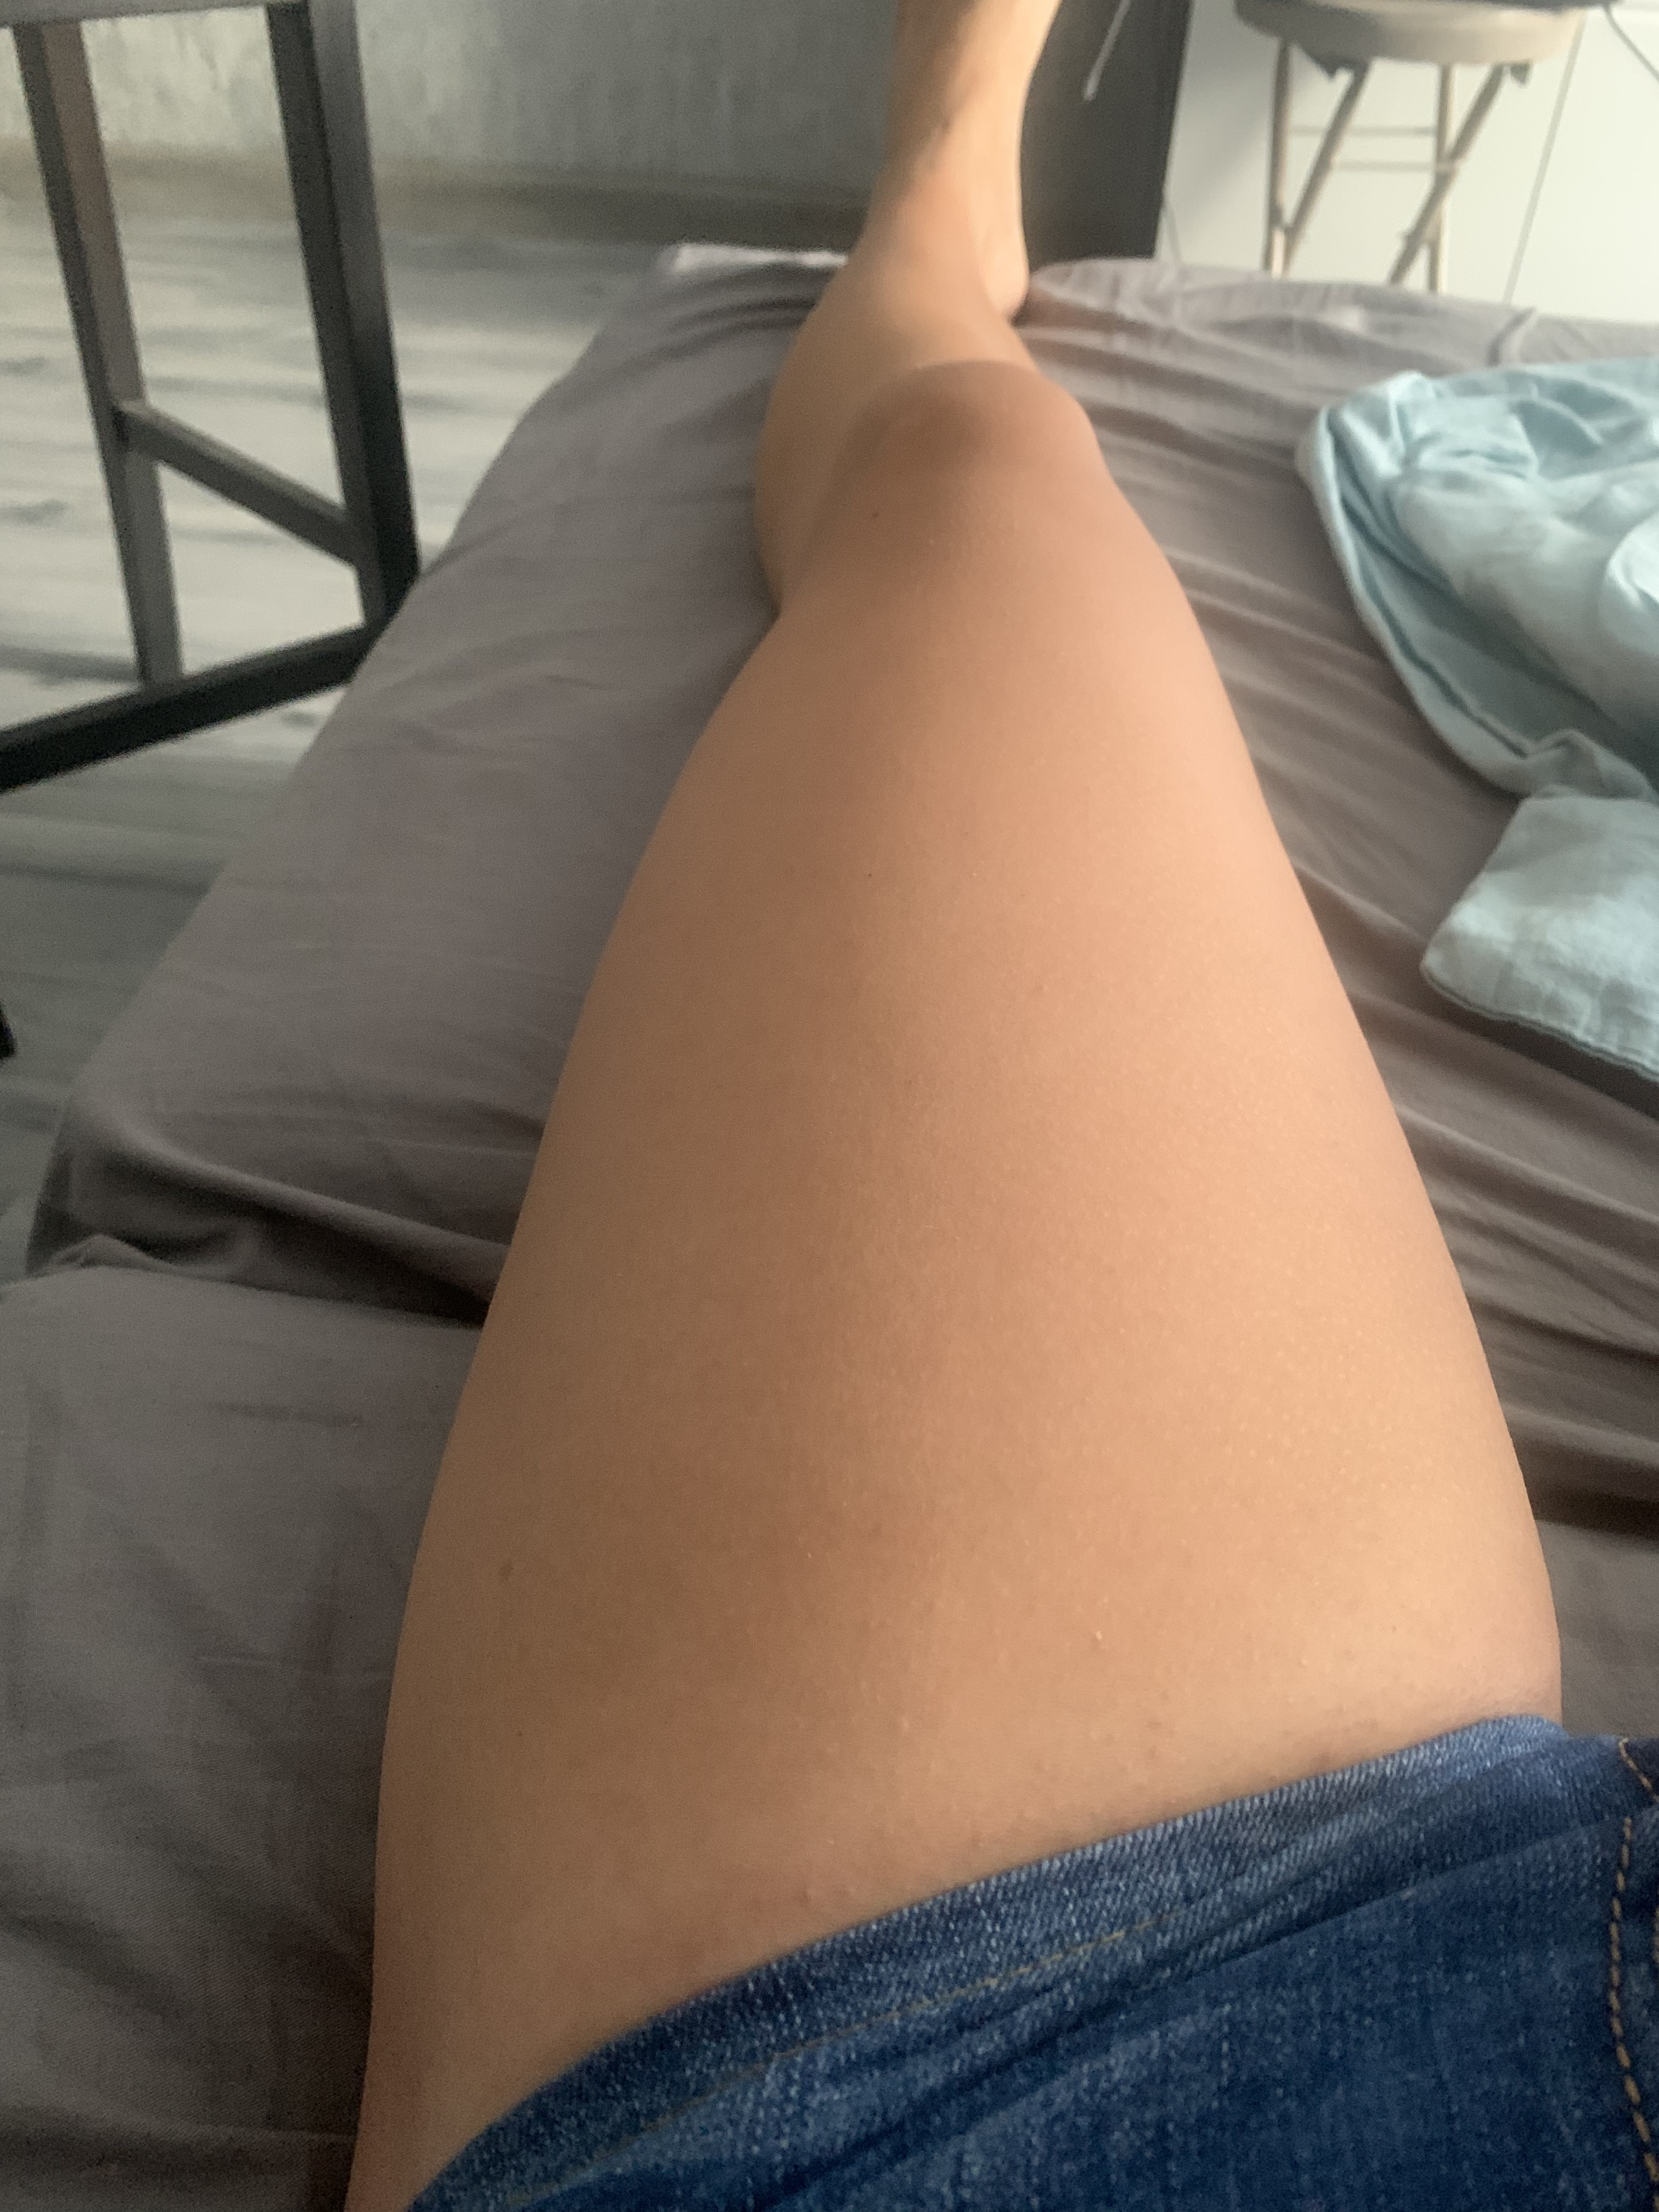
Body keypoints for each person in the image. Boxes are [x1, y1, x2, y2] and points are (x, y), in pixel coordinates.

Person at [342, 5, 1656, 2207]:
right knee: (974, 481)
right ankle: (947, 186)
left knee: (965, 470)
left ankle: (940, 191)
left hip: (1066, 2042)